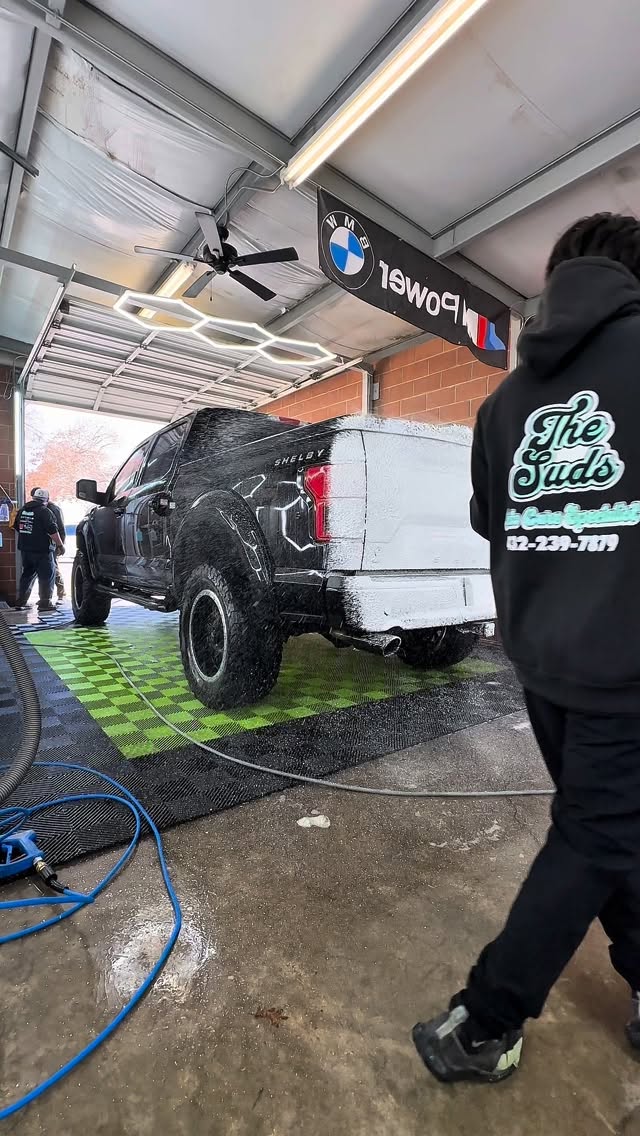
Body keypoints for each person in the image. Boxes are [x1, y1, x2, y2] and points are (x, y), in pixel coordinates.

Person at [412, 213, 640, 1084]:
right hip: (627, 660)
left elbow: (492, 519)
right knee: (595, 833)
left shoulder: (504, 400)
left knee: (610, 829)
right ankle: (487, 1019)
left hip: (541, 658)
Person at [13, 488, 64, 612]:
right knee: (47, 576)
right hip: (42, 551)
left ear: (34, 498)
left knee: (27, 575)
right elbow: (52, 530)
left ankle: (21, 601)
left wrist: (28, 537)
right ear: (46, 500)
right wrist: (60, 545)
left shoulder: (22, 510)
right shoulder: (45, 511)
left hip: (25, 550)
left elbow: (16, 527)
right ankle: (45, 603)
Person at [31, 486, 66, 601]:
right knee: (49, 568)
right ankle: (47, 596)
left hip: (53, 543)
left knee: (53, 568)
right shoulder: (41, 508)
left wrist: (60, 544)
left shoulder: (53, 509)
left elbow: (59, 528)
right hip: (45, 543)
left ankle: (61, 592)